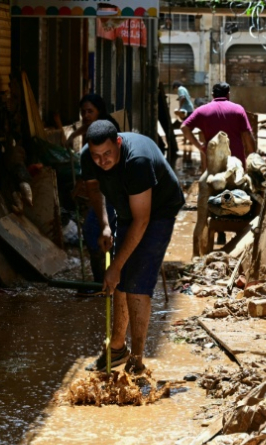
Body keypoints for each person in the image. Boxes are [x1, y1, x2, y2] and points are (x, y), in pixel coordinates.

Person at [81, 120, 185, 373]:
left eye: (107, 154)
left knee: (136, 284)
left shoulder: (136, 162)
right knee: (120, 281)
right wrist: (105, 225)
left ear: (118, 143)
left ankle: (137, 361)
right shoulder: (88, 157)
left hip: (158, 210)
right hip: (128, 207)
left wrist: (115, 266)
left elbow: (143, 220)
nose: (102, 161)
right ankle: (116, 348)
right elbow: (95, 190)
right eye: (96, 156)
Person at [67, 94, 119, 285]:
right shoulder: (92, 127)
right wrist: (72, 135)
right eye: (83, 112)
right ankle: (104, 281)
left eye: (90, 111)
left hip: (113, 188)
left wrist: (83, 184)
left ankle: (104, 281)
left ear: (99, 111)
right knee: (98, 231)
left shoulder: (107, 130)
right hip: (101, 188)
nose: (86, 115)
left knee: (94, 230)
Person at [180, 82, 256, 171]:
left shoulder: (201, 111)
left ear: (212, 95)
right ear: (228, 94)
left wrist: (200, 147)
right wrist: (253, 158)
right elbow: (247, 136)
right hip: (236, 164)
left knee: (213, 184)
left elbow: (184, 127)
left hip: (213, 165)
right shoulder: (238, 109)